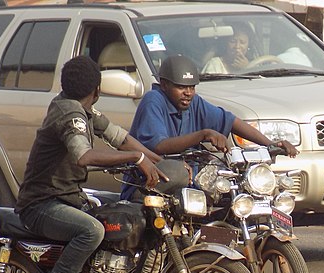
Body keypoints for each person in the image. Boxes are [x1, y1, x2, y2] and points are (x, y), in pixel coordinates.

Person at [16, 55, 170, 273]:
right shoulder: (69, 114)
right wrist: (136, 161)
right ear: (96, 90)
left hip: (67, 198)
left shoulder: (80, 108)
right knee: (92, 230)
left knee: (117, 246)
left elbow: (120, 138)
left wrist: (159, 163)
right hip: (41, 203)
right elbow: (83, 156)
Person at [121, 54, 297, 200]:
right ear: (165, 84)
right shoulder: (153, 100)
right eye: (181, 87)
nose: (188, 93)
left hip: (189, 186)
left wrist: (270, 144)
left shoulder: (194, 103)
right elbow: (159, 145)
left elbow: (231, 121)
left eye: (191, 87)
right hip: (150, 185)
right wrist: (202, 135)